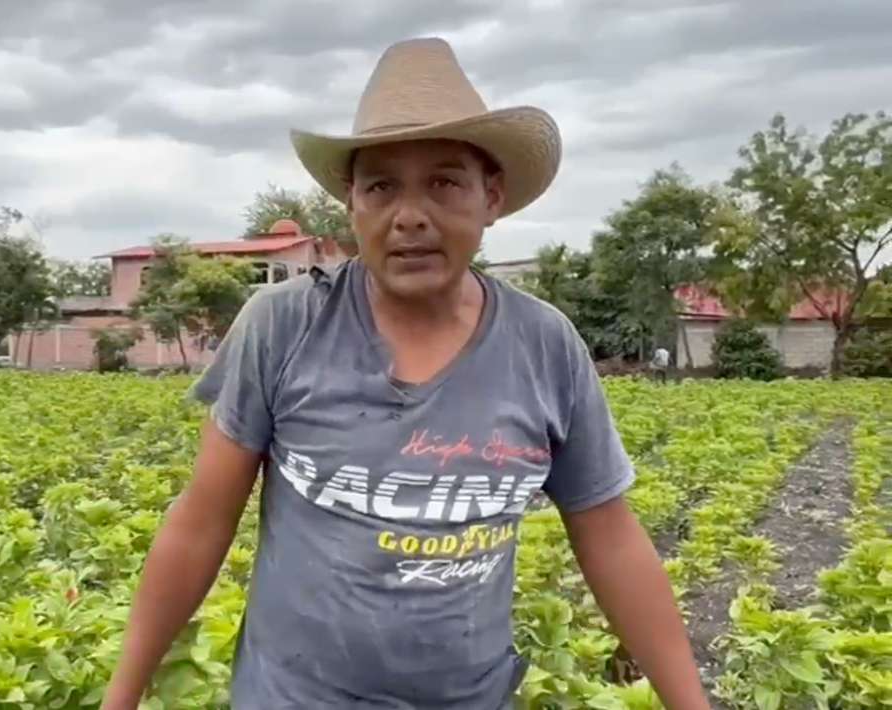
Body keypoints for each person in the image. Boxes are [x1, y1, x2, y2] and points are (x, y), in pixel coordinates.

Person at [101, 37, 709, 710]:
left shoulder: (545, 346)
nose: (410, 216)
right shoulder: (285, 326)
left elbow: (612, 540)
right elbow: (200, 523)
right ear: (351, 203)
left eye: (445, 183)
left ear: (491, 198)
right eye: (382, 185)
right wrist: (121, 697)